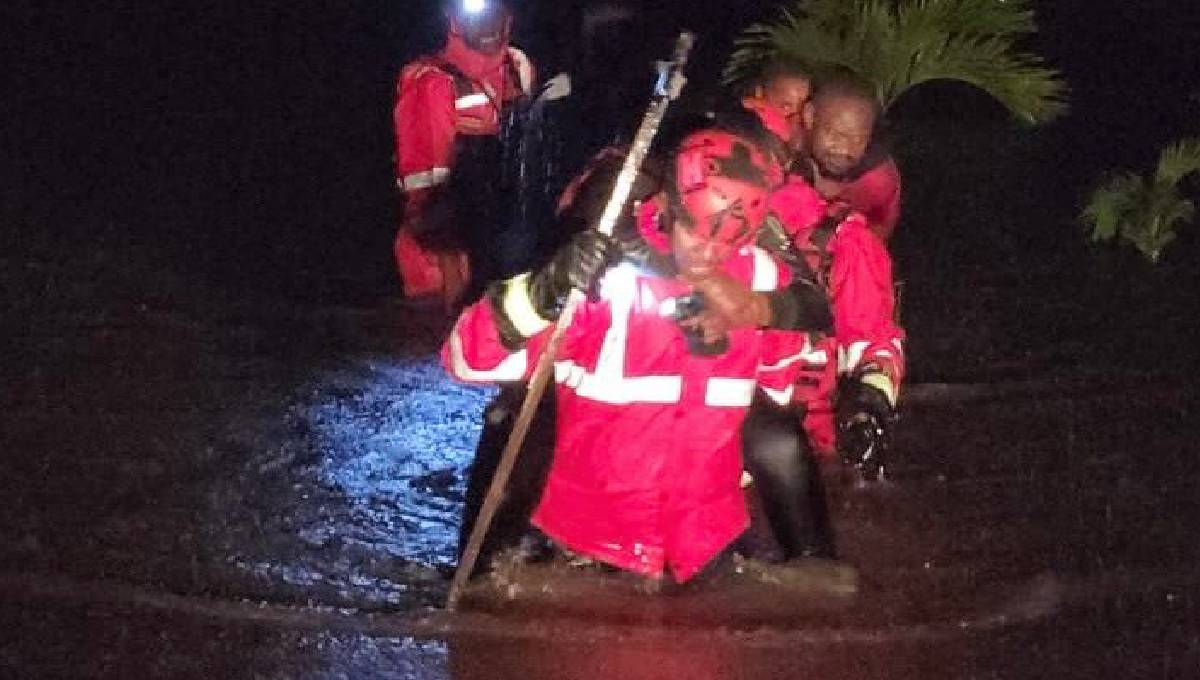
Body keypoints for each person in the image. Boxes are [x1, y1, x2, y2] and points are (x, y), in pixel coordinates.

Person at [443, 128, 824, 583]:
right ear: (666, 206)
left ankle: (816, 567)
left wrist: (754, 314)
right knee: (512, 413)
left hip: (702, 549)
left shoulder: (760, 280)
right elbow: (464, 361)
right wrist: (544, 291)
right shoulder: (602, 279)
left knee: (775, 431)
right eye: (694, 232)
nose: (707, 253)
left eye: (725, 243)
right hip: (586, 545)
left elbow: (784, 379)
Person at [392, 0, 535, 309]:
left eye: (496, 12)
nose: (488, 25)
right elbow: (426, 191)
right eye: (476, 13)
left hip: (510, 237)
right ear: (453, 18)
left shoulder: (517, 69)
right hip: (450, 261)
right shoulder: (432, 82)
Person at [793, 75, 903, 243]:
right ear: (809, 116)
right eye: (836, 135)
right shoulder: (781, 150)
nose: (845, 150)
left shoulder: (878, 181)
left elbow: (876, 240)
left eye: (858, 140)